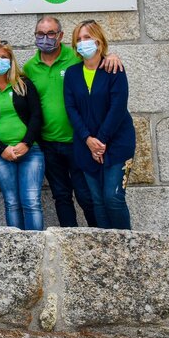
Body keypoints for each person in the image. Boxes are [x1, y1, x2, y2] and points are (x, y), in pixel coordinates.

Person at [23, 16, 122, 227]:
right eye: (40, 34)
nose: (45, 38)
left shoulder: (75, 58)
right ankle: (69, 239)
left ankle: (96, 236)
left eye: (51, 33)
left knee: (86, 195)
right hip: (48, 142)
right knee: (61, 195)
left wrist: (111, 56)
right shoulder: (30, 67)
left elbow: (96, 61)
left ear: (60, 36)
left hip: (78, 140)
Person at [63, 20, 135, 230]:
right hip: (86, 145)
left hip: (117, 143)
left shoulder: (114, 69)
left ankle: (126, 244)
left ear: (99, 40)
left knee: (113, 198)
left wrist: (101, 141)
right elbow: (71, 109)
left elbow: (118, 107)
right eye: (78, 39)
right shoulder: (72, 74)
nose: (82, 42)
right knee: (98, 201)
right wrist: (88, 140)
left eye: (87, 37)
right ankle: (105, 246)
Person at [0, 42, 44, 230]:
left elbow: (37, 116)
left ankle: (36, 244)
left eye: (4, 57)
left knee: (31, 201)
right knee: (12, 202)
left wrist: (26, 143)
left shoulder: (24, 84)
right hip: (1, 154)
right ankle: (16, 245)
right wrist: (1, 148)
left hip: (31, 151)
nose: (0, 61)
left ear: (11, 60)